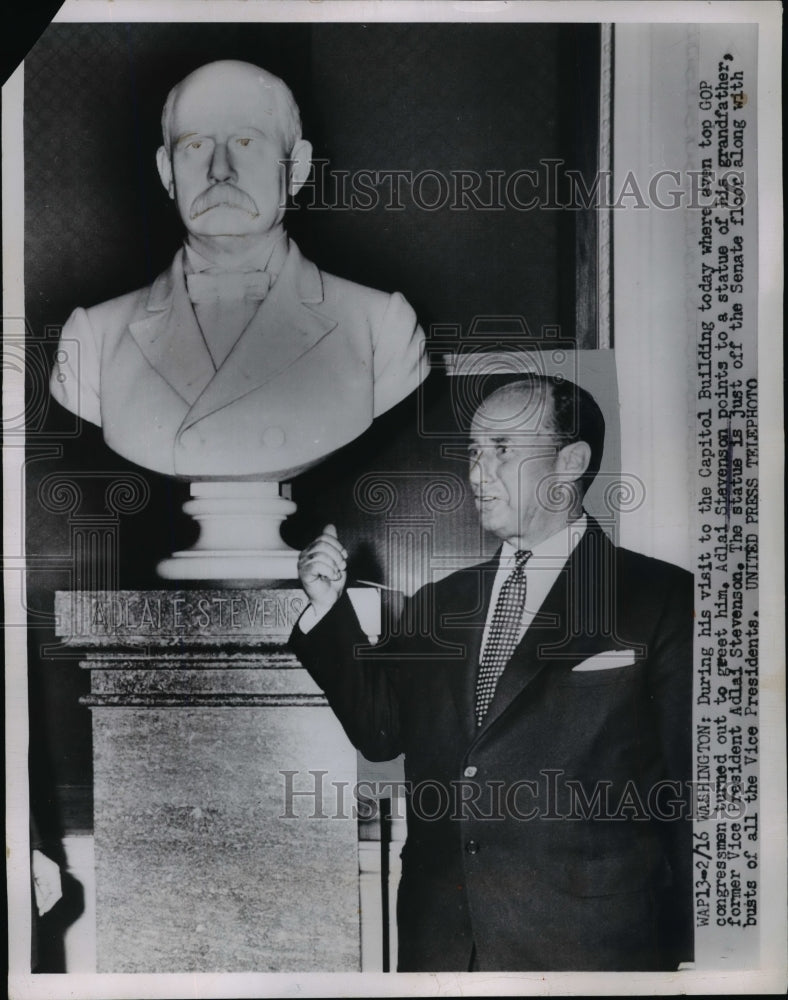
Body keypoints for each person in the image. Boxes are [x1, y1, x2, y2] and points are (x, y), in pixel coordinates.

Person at [290, 375, 694, 972]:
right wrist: (328, 608)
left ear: (570, 461)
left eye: (502, 450)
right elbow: (381, 730)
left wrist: (702, 951)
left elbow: (692, 788)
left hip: (592, 947)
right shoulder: (438, 601)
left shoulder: (660, 598)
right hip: (446, 944)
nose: (477, 474)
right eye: (474, 452)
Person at [49, 60, 426, 480]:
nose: (220, 169)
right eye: (194, 146)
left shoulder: (382, 331)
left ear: (296, 169)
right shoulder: (94, 339)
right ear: (166, 172)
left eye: (246, 142)